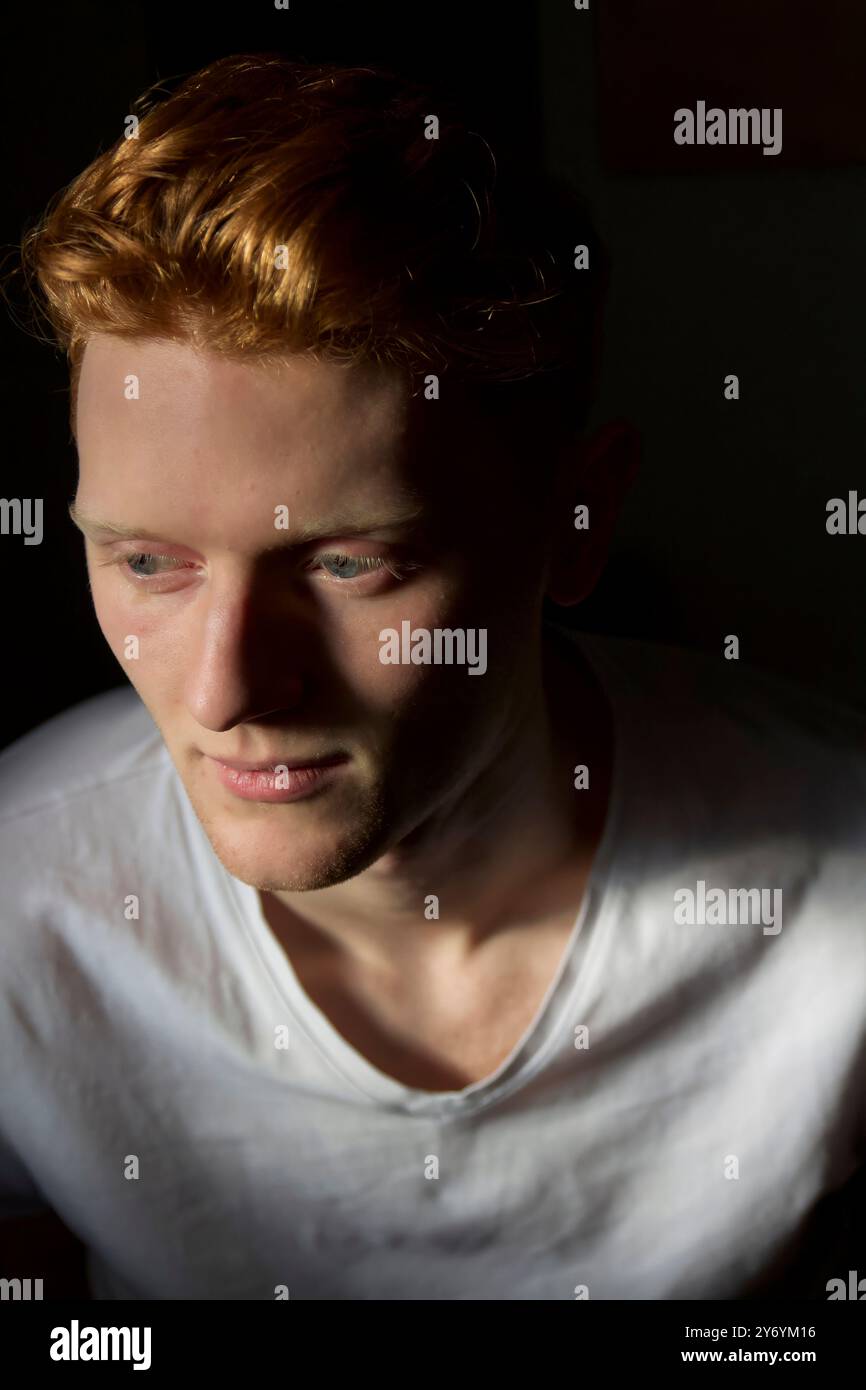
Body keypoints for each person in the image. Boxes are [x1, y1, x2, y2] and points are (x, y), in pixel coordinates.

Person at [1, 52, 863, 1302]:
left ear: (575, 519)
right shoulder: (22, 903)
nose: (227, 686)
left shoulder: (837, 892)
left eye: (351, 564)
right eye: (148, 562)